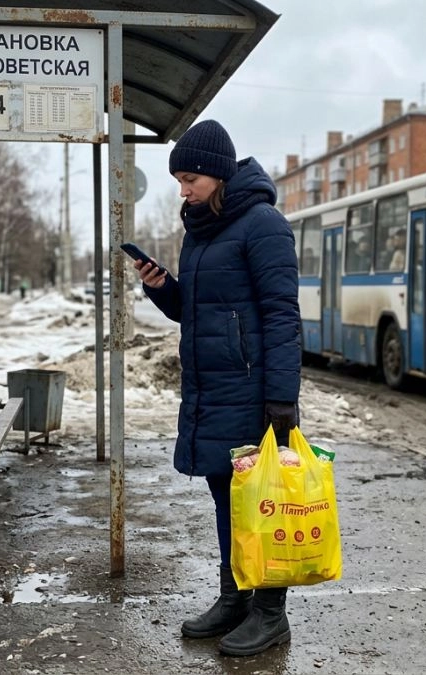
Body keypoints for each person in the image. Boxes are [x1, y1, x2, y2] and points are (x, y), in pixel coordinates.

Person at [133, 119, 301, 658]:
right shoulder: (201, 231)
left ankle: (271, 614)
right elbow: (199, 314)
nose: (182, 190)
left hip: (252, 393)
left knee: (264, 502)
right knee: (226, 499)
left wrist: (282, 399)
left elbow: (281, 316)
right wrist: (163, 290)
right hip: (209, 389)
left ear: (216, 175)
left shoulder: (262, 224)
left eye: (189, 179)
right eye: (179, 180)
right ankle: (235, 597)